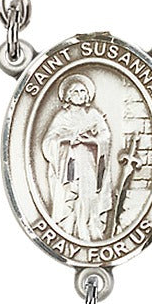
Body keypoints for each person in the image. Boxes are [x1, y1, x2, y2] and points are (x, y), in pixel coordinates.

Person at [41, 74, 113, 241]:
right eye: (75, 91)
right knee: (71, 195)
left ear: (87, 95)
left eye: (83, 91)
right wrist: (66, 139)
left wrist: (92, 141)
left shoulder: (93, 115)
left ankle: (89, 231)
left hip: (89, 163)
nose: (79, 95)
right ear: (68, 96)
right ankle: (69, 230)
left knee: (89, 196)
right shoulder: (62, 117)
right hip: (69, 164)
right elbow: (49, 141)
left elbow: (106, 137)